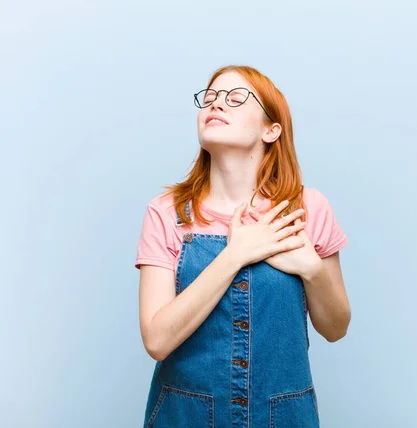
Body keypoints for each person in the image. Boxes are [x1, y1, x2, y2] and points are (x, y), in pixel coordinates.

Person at [134, 64, 350, 427]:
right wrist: (235, 255)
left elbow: (335, 328)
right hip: (184, 417)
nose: (216, 105)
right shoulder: (167, 212)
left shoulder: (308, 209)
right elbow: (157, 339)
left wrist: (311, 268)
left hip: (283, 418)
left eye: (235, 99)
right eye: (210, 98)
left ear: (271, 130)